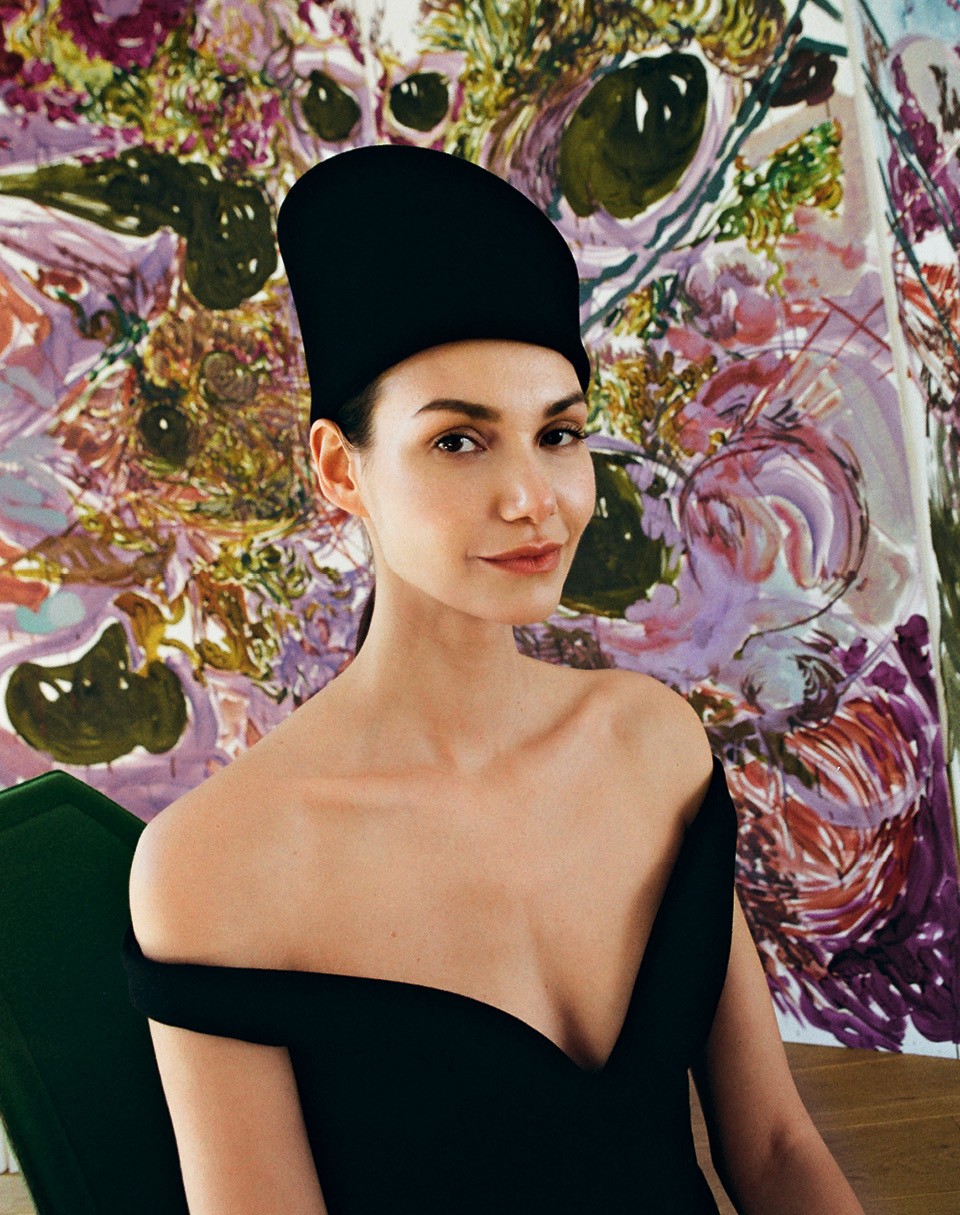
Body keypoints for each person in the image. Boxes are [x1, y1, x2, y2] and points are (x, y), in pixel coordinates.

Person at [121, 145, 865, 1215]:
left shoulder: (654, 743)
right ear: (339, 468)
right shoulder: (213, 867)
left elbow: (780, 1151)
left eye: (557, 433)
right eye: (460, 440)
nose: (534, 498)